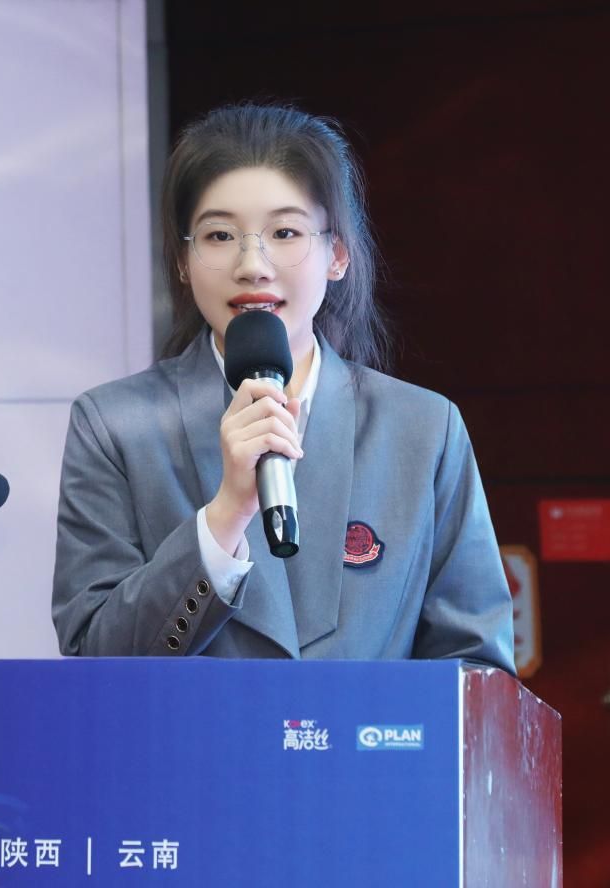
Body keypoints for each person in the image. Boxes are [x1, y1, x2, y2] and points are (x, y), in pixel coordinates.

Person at [52, 103, 514, 670]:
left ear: (337, 254)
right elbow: (93, 657)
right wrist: (224, 518)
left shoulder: (422, 429)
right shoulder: (115, 426)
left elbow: (476, 667)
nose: (253, 264)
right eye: (220, 235)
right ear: (183, 261)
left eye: (286, 232)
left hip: (364, 735)